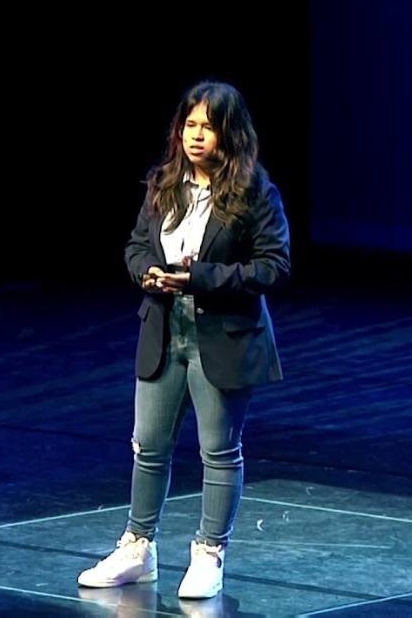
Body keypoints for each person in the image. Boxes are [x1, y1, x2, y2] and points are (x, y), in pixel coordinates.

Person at [77, 80, 291, 600]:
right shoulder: (164, 183)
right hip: (164, 329)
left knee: (218, 450)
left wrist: (199, 278)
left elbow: (273, 266)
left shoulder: (254, 191)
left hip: (223, 335)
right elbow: (136, 245)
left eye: (208, 127)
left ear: (229, 134)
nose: (196, 136)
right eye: (190, 125)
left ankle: (209, 552)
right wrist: (148, 271)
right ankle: (138, 548)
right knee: (149, 445)